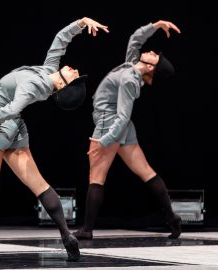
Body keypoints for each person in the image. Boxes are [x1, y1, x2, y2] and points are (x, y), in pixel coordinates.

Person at [0, 17, 109, 262]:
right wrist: (80, 24)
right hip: (16, 129)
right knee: (39, 185)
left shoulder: (36, 85)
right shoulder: (48, 72)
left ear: (64, 86)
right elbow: (60, 41)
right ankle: (67, 236)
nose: (74, 70)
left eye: (74, 76)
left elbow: (14, 107)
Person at [73, 20, 182, 240]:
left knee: (96, 177)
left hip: (109, 124)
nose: (151, 52)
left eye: (155, 56)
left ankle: (86, 230)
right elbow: (135, 39)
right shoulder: (132, 64)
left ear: (151, 67)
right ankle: (172, 219)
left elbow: (122, 117)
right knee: (146, 171)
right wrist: (156, 25)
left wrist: (103, 141)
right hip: (120, 128)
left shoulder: (130, 80)